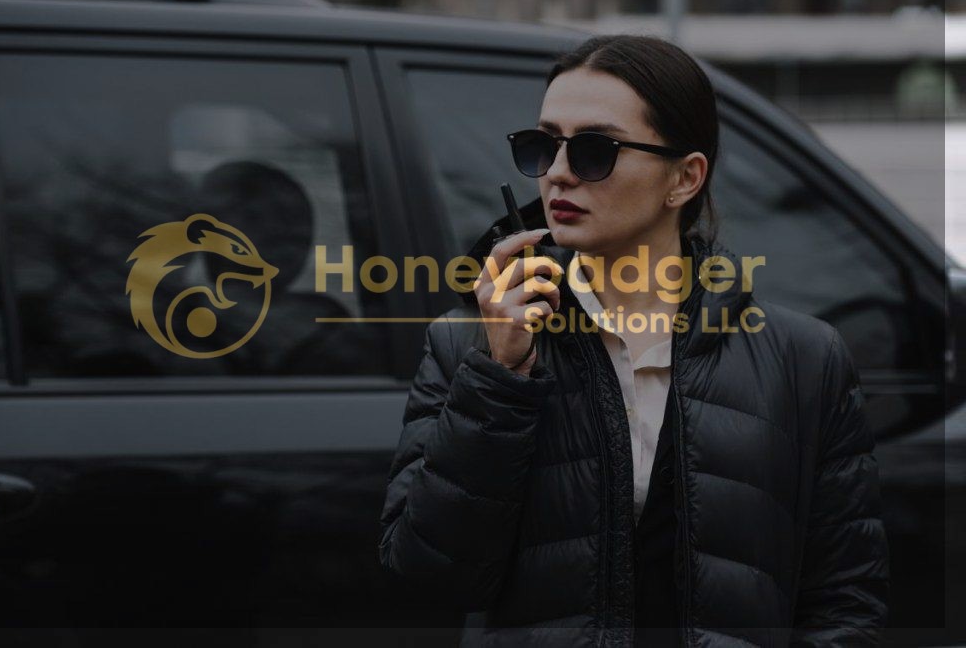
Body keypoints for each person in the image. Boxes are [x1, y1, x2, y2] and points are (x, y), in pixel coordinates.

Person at [378, 34, 889, 647]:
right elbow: (431, 573)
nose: (558, 172)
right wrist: (501, 378)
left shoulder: (802, 358)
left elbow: (844, 602)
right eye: (544, 144)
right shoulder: (469, 347)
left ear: (684, 178)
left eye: (595, 150)